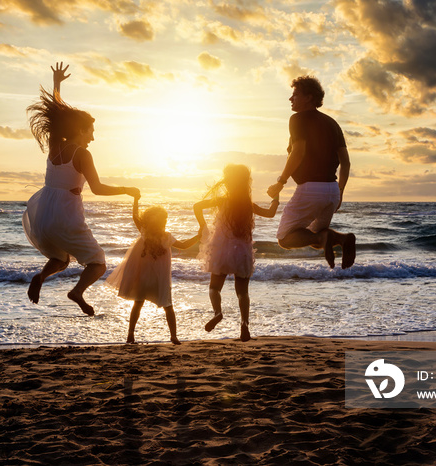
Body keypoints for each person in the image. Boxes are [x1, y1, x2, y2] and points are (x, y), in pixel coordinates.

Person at [23, 63, 140, 315]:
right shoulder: (83, 154)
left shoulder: (55, 144)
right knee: (98, 262)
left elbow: (55, 115)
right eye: (91, 131)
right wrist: (126, 189)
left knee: (62, 259)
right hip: (66, 213)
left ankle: (41, 278)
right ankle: (77, 292)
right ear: (80, 129)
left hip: (43, 212)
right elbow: (97, 189)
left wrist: (57, 84)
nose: (93, 137)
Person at [267, 75, 356, 269]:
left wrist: (280, 182)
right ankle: (343, 239)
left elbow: (299, 151)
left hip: (310, 189)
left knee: (285, 238)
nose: (291, 99)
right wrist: (340, 192)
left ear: (309, 97)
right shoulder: (332, 123)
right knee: (316, 239)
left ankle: (333, 238)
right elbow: (346, 163)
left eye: (295, 94)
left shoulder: (297, 119)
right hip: (332, 190)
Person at [194, 164, 279, 342]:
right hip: (242, 251)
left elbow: (197, 206)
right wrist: (276, 197)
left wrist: (202, 225)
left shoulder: (222, 200)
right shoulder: (248, 205)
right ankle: (244, 324)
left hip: (221, 250)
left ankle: (218, 313)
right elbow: (271, 213)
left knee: (214, 288)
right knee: (242, 292)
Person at [105, 196, 201, 345]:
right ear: (163, 221)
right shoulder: (166, 236)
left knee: (138, 303)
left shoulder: (144, 232)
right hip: (159, 279)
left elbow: (135, 216)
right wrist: (198, 237)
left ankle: (130, 334)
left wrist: (136, 200)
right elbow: (184, 245)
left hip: (143, 277)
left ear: (147, 220)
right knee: (168, 306)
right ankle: (174, 336)